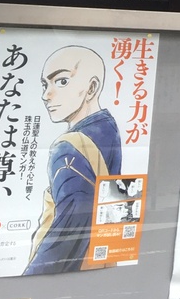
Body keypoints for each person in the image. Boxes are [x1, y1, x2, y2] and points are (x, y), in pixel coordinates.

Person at [24, 45, 121, 275]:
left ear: (92, 88)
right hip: (98, 268)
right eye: (45, 84)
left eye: (62, 81)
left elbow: (64, 236)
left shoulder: (68, 149)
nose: (46, 95)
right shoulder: (109, 128)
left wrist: (26, 283)